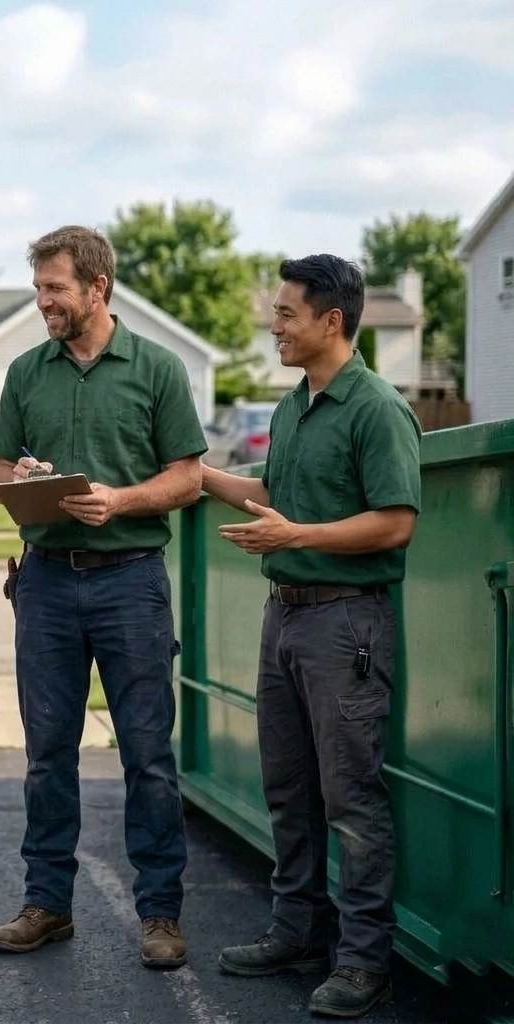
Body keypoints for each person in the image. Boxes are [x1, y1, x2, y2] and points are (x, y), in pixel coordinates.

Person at [202, 254, 421, 1019]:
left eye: (287, 313)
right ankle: (296, 930)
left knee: (351, 799)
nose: (275, 326)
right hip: (287, 615)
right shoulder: (296, 405)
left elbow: (395, 521)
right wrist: (196, 474)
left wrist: (301, 535)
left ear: (333, 320)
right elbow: (274, 494)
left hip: (346, 623)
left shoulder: (376, 408)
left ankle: (365, 961)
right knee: (288, 789)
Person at [0, 225, 207, 967]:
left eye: (55, 289)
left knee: (147, 754)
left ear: (96, 288)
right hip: (45, 583)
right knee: (48, 754)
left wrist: (121, 501)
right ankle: (47, 904)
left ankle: (161, 915)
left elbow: (188, 478)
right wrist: (29, 481)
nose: (42, 301)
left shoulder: (158, 369)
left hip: (131, 582)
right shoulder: (25, 372)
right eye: (39, 287)